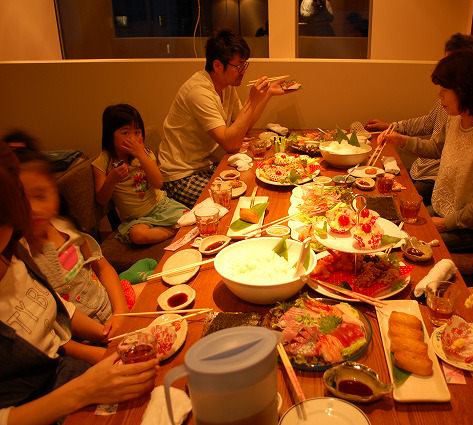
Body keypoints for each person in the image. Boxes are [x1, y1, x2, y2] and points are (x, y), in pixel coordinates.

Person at [0, 140, 158, 425]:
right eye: (21, 200)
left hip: (89, 350)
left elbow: (57, 315)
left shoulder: (16, 255)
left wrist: (112, 326)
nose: (31, 210)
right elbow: (60, 338)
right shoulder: (27, 250)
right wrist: (86, 382)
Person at [366, 33, 473, 204]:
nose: (441, 91)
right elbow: (432, 135)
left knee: (398, 201)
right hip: (433, 181)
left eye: (452, 65)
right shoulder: (456, 113)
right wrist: (396, 132)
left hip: (439, 182)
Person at [6, 131, 134, 338]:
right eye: (21, 200)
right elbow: (58, 317)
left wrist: (120, 313)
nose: (33, 209)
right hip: (91, 336)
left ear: (54, 191)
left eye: (40, 195)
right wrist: (105, 332)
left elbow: (102, 268)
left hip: (115, 309)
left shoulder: (64, 226)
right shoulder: (22, 258)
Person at [386, 50, 473, 252]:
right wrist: (401, 140)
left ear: (464, 90)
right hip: (444, 210)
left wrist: (445, 223)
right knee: (392, 224)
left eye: (444, 89)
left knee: (405, 245)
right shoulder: (456, 118)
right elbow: (437, 148)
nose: (439, 95)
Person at [158, 29, 288, 208]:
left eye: (244, 65)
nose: (243, 71)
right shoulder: (198, 92)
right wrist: (252, 100)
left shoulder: (226, 86)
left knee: (254, 188)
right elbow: (231, 144)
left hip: (208, 166)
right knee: (232, 204)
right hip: (182, 176)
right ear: (218, 65)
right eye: (239, 66)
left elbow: (243, 127)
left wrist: (267, 95)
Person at [93, 104, 187, 245]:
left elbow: (158, 183)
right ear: (110, 135)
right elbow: (101, 200)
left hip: (161, 206)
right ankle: (175, 230)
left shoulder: (145, 154)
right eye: (125, 133)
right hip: (136, 219)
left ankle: (178, 226)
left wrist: (141, 155)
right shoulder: (103, 162)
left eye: (137, 132)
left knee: (190, 217)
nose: (132, 138)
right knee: (139, 236)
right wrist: (112, 179)